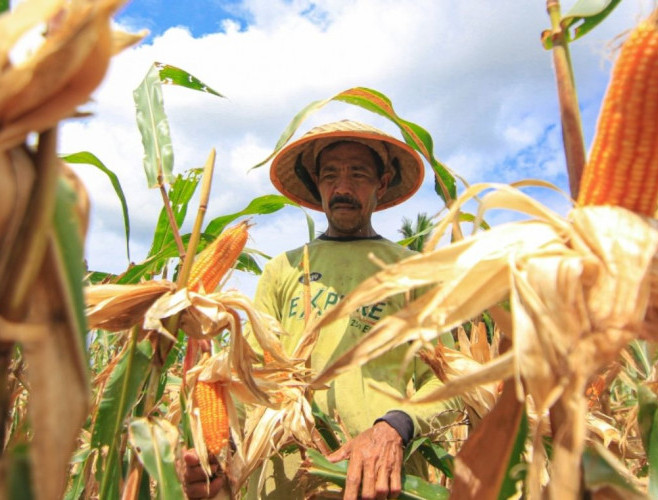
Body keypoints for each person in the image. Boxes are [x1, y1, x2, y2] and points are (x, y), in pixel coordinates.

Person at [184, 120, 459, 499]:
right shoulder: (284, 268)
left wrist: (393, 428)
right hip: (284, 481)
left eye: (358, 174)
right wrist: (219, 453)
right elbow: (250, 375)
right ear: (318, 184)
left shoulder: (412, 272)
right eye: (330, 175)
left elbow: (451, 382)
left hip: (379, 484)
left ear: (382, 183)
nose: (342, 188)